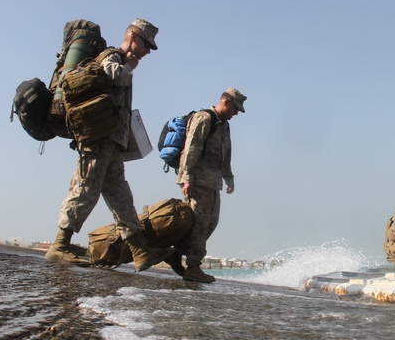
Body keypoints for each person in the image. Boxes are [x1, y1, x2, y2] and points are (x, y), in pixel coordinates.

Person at [45, 18, 172, 270]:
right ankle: (60, 245)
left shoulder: (123, 60)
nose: (147, 52)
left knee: (121, 195)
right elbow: (111, 74)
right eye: (146, 45)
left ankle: (140, 250)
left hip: (112, 142)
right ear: (134, 37)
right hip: (98, 139)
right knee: (85, 189)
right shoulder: (111, 56)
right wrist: (130, 67)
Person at [164, 88, 246, 283]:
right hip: (197, 180)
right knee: (200, 224)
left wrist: (229, 178)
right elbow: (192, 148)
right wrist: (186, 178)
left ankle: (176, 254)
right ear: (226, 102)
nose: (236, 114)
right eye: (235, 109)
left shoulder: (223, 125)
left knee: (211, 222)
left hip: (213, 182)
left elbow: (226, 154)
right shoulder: (204, 118)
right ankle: (193, 267)